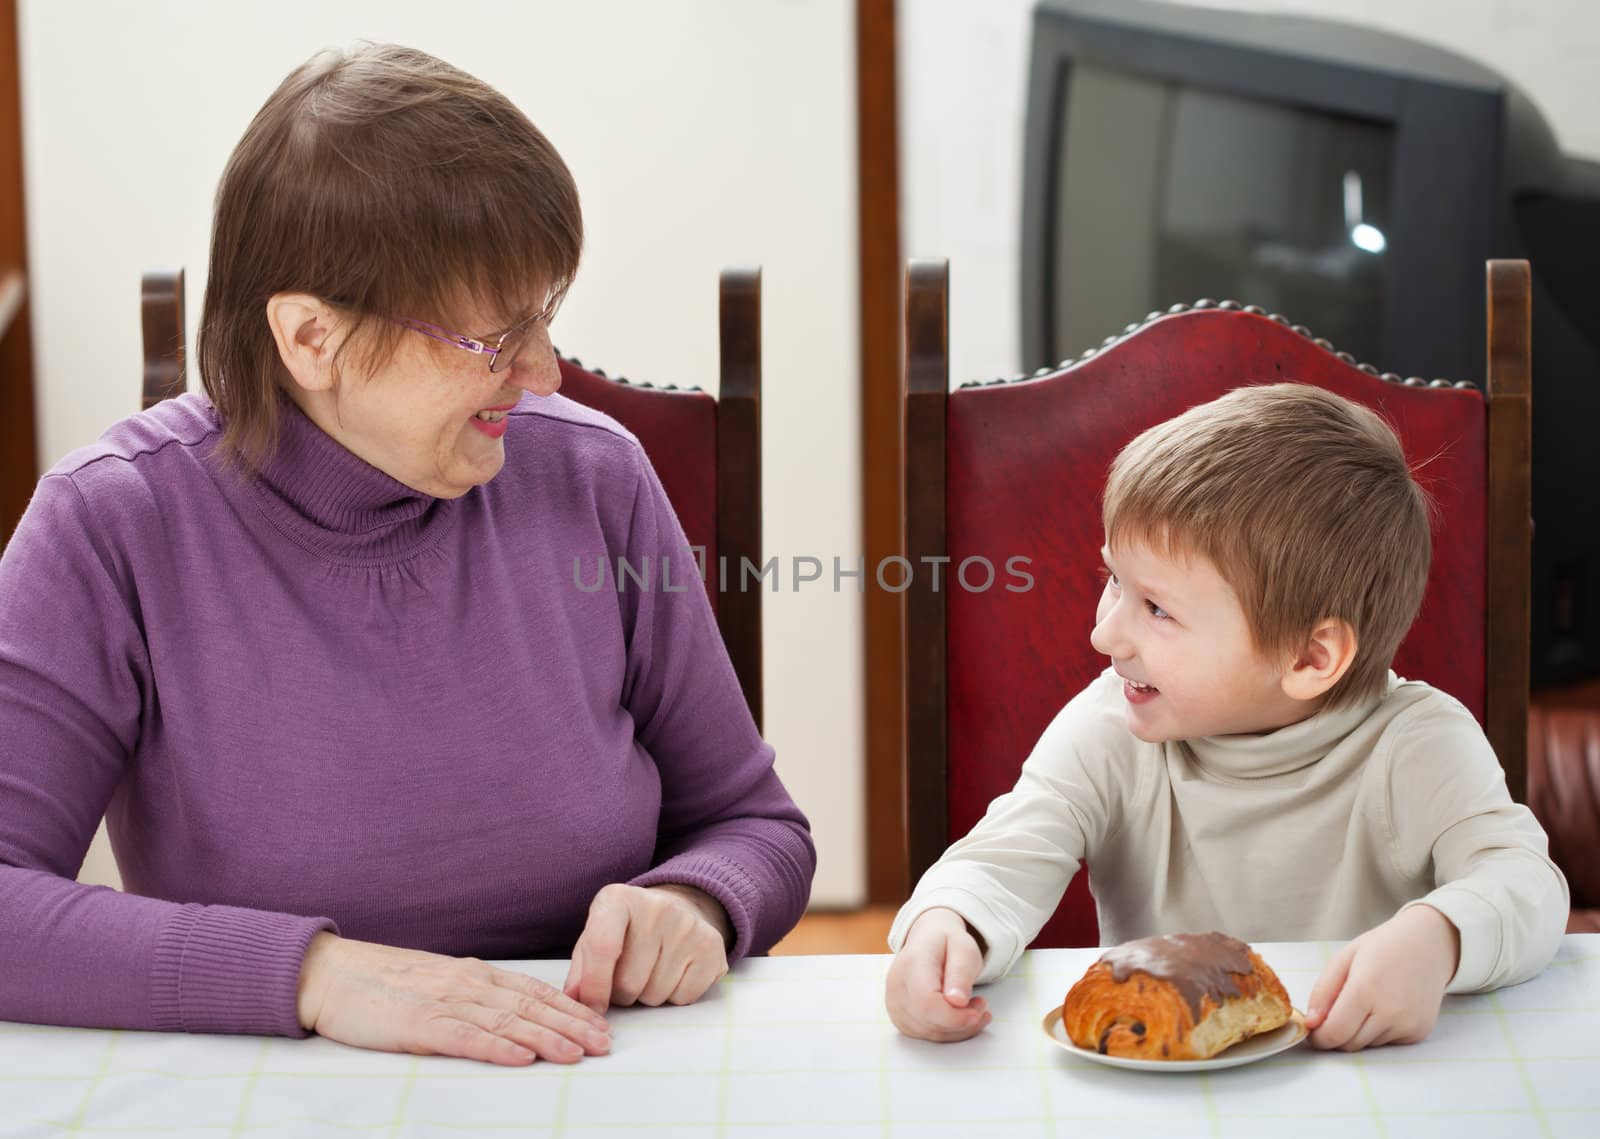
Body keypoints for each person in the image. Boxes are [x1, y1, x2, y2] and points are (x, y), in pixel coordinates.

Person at [0, 44, 814, 1067]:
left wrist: (697, 900)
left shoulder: (593, 479)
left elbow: (755, 824)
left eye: (544, 318)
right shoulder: (112, 525)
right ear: (310, 339)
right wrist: (313, 974)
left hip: (594, 1069)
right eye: (493, 339)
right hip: (271, 1089)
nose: (545, 372)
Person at [884, 383, 1568, 1051]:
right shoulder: (1109, 725)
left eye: (1157, 608)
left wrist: (1439, 937)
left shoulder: (1419, 745)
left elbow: (1529, 885)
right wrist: (949, 922)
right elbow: (1002, 858)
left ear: (1309, 655)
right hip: (1153, 1087)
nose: (1105, 637)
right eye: (1113, 581)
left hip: (1360, 1083)